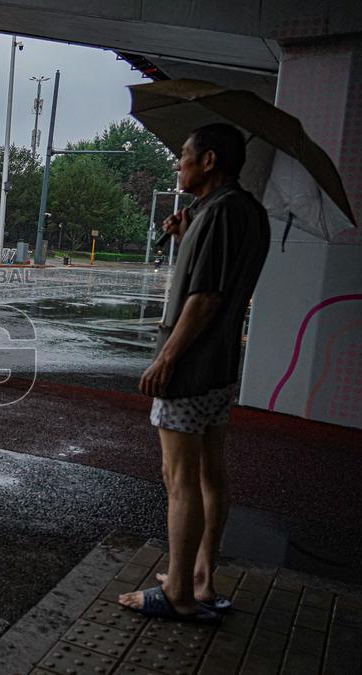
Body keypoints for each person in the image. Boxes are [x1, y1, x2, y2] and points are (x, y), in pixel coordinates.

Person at [118, 123, 270, 622]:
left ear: (209, 161)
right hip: (221, 366)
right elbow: (220, 280)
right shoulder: (246, 211)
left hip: (190, 367)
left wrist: (166, 359)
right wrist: (187, 236)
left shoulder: (218, 213)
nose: (178, 163)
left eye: (184, 154)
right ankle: (202, 578)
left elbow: (204, 297)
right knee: (210, 473)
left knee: (179, 478)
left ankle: (179, 592)